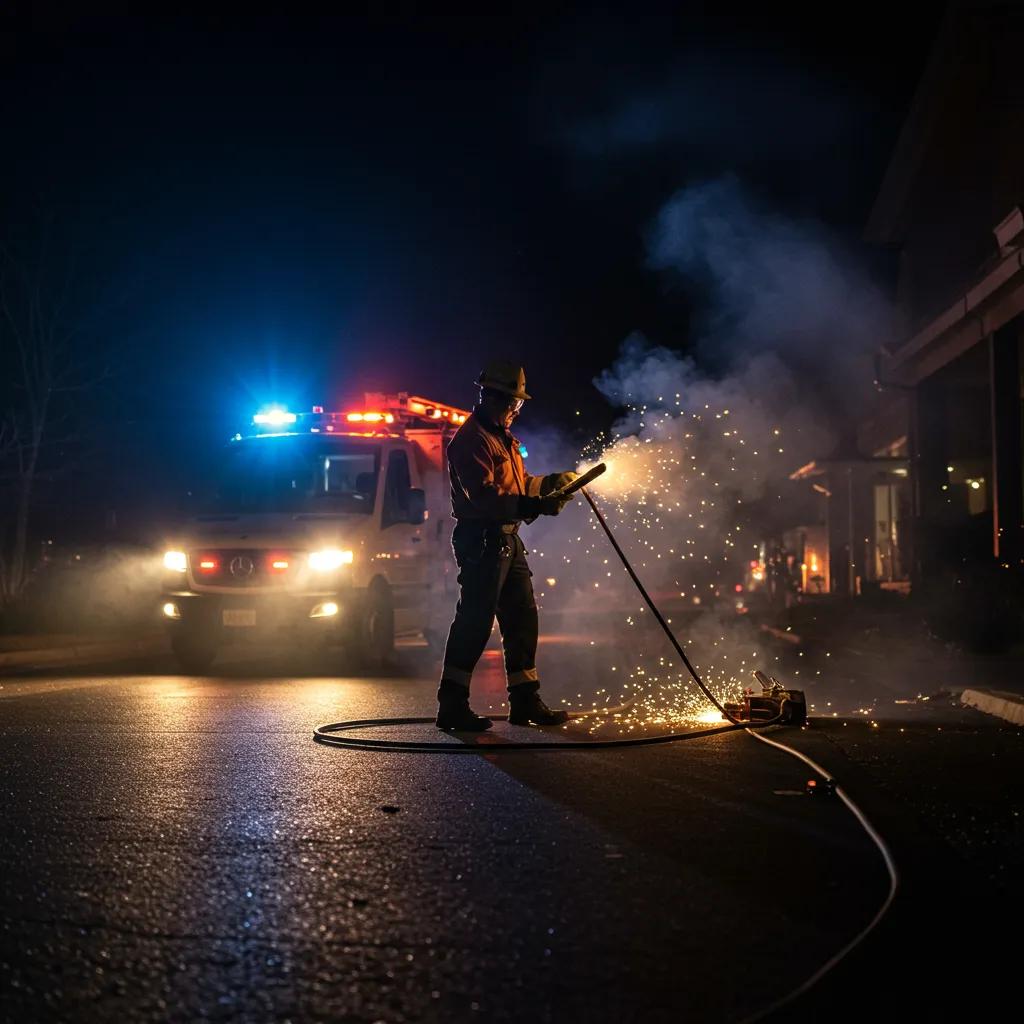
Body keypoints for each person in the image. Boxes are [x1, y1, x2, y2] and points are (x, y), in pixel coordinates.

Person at [435, 360, 578, 731]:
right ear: (492, 397)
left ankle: (526, 701)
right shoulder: (471, 441)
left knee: (522, 618)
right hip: (482, 540)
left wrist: (549, 485)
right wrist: (534, 505)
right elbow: (485, 497)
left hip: (506, 539)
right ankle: (451, 705)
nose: (516, 410)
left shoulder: (502, 437)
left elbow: (519, 485)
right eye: (513, 403)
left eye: (519, 404)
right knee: (475, 621)